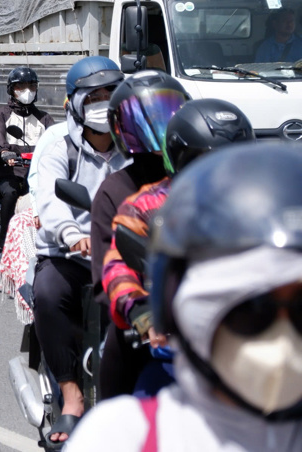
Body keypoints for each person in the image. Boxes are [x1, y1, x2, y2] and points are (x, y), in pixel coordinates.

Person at [67, 143, 302, 452]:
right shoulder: (122, 437)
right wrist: (143, 312)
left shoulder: (269, 206)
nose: (283, 340)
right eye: (253, 312)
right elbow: (117, 266)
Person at [97, 98, 254, 400]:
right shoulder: (147, 207)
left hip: (251, 339)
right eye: (209, 161)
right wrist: (141, 310)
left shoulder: (259, 205)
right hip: (174, 346)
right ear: (181, 159)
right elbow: (118, 265)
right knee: (135, 416)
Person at [31, 56, 130, 446]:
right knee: (49, 294)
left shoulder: (137, 142)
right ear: (73, 102)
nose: (104, 103)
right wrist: (73, 233)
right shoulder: (58, 143)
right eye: (94, 97)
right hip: (70, 255)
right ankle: (72, 396)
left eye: (111, 94)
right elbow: (49, 197)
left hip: (128, 253)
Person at [88, 70, 190, 399]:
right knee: (118, 357)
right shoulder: (116, 191)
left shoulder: (199, 185)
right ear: (121, 127)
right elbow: (110, 271)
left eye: (168, 112)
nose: (159, 126)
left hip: (203, 315)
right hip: (142, 319)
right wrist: (142, 315)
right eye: (146, 117)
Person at [0, 67, 55, 249]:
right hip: (8, 173)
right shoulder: (0, 115)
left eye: (31, 86)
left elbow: (57, 141)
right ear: (11, 90)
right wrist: (4, 153)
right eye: (21, 86)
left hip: (36, 175)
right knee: (10, 193)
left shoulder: (44, 118)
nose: (27, 91)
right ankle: (4, 240)